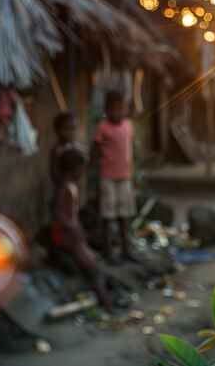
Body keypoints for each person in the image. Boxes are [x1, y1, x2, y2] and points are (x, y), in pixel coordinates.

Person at [51, 148, 114, 314]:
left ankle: (107, 303)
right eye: (83, 168)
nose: (83, 172)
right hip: (67, 237)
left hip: (72, 236)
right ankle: (108, 308)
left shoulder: (68, 185)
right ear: (75, 168)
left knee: (95, 260)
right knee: (96, 272)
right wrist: (73, 228)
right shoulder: (65, 187)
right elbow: (57, 211)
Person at [91, 90, 137, 264]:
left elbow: (130, 153)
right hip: (107, 177)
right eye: (115, 108)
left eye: (122, 108)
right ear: (108, 109)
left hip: (125, 176)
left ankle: (126, 250)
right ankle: (108, 252)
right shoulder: (103, 127)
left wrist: (134, 177)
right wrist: (88, 170)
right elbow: (95, 150)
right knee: (107, 216)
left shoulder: (128, 125)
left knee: (124, 215)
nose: (119, 112)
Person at [50, 112, 86, 186]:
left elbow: (85, 164)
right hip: (63, 185)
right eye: (66, 128)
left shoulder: (81, 149)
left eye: (73, 128)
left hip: (76, 185)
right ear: (57, 130)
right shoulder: (58, 151)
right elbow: (54, 173)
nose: (70, 132)